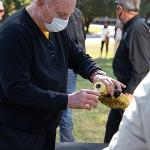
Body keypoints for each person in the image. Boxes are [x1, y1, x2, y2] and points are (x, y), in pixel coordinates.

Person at [0, 0, 125, 150]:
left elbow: (76, 56)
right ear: (41, 4)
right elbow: (17, 89)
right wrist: (67, 100)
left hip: (46, 127)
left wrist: (96, 73)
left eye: (69, 15)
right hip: (19, 132)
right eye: (61, 14)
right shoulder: (14, 32)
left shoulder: (52, 26)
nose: (65, 20)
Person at [104, 0, 150, 144]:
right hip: (123, 90)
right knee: (111, 131)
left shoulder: (137, 28)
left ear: (120, 9)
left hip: (130, 93)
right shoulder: (131, 26)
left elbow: (142, 67)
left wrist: (129, 93)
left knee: (122, 138)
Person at [103, 71, 150, 150]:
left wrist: (130, 91)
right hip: (123, 86)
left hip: (129, 89)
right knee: (113, 126)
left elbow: (141, 64)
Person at [58, 7, 86, 142]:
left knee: (66, 107)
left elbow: (81, 37)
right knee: (65, 104)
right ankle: (67, 141)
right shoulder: (58, 10)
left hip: (73, 64)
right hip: (62, 64)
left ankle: (67, 142)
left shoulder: (78, 13)